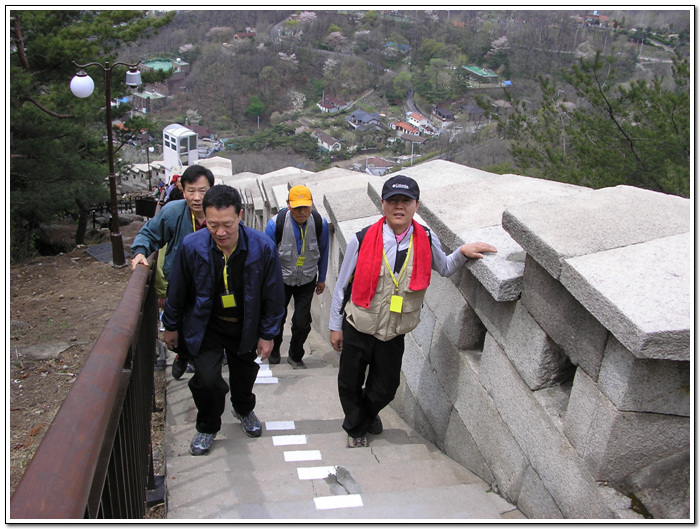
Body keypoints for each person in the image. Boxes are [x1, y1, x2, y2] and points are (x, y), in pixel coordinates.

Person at [328, 175, 497, 448]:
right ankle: (357, 427)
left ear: (416, 205)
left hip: (394, 331)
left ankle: (367, 413)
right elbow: (341, 286)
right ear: (382, 204)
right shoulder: (362, 239)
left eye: (405, 201)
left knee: (386, 388)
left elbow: (444, 268)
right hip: (359, 324)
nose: (399, 206)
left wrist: (463, 253)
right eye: (392, 200)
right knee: (349, 382)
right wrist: (335, 326)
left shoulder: (425, 239)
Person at [162, 184, 285, 455]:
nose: (220, 232)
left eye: (227, 224)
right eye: (212, 224)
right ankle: (207, 426)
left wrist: (268, 334)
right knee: (206, 380)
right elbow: (177, 289)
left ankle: (243, 408)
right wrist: (170, 325)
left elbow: (273, 294)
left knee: (245, 376)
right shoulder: (192, 246)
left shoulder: (262, 246)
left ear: (241, 215)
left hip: (245, 325)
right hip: (207, 324)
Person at [130, 165, 214, 379]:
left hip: (212, 282)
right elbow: (150, 233)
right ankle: (183, 355)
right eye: (191, 191)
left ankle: (198, 358)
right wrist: (141, 252)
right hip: (181, 283)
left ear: (212, 190)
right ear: (182, 190)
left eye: (202, 191)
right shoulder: (174, 212)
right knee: (182, 326)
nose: (196, 198)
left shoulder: (219, 211)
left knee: (210, 325)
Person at [264, 185, 330, 369]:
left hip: (307, 279)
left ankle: (295, 354)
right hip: (281, 280)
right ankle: (275, 349)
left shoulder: (319, 223)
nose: (302, 212)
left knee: (302, 322)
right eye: (297, 207)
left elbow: (324, 251)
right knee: (278, 317)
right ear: (288, 205)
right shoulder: (275, 225)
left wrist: (322, 278)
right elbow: (266, 258)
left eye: (305, 207)